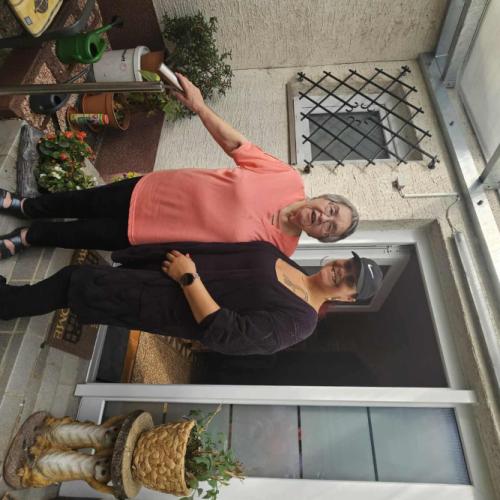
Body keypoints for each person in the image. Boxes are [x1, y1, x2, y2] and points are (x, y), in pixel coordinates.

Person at [0, 74, 359, 260]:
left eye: (330, 227)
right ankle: (27, 206)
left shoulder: (282, 249)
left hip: (158, 233)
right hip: (158, 192)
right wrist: (200, 107)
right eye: (331, 210)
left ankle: (29, 237)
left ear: (321, 237)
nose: (323, 218)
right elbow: (237, 146)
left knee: (86, 235)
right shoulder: (286, 179)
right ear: (325, 198)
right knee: (87, 201)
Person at [0, 242, 383, 355]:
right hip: (155, 276)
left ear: (348, 299)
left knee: (75, 283)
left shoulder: (299, 323)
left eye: (349, 281)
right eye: (348, 265)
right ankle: (9, 300)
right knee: (76, 283)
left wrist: (188, 278)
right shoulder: (288, 263)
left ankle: (7, 303)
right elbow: (219, 251)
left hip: (159, 303)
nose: (341, 271)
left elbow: (228, 335)